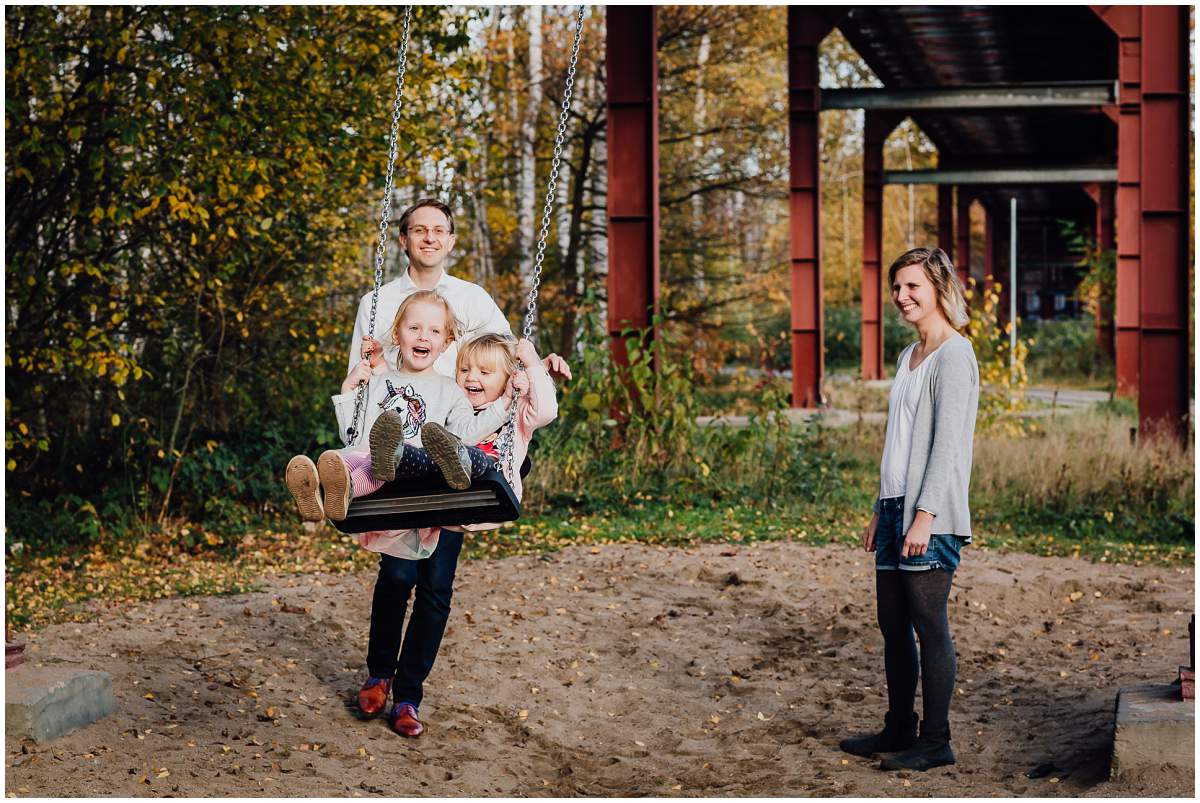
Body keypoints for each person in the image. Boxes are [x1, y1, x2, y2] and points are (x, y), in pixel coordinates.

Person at [356, 333, 558, 737]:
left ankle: (408, 697)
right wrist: (376, 367)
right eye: (465, 369)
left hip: (465, 503)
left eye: (485, 372)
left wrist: (533, 365)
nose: (472, 377)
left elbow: (547, 409)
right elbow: (403, 393)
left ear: (508, 378)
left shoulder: (515, 410)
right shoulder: (450, 399)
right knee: (395, 579)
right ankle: (379, 676)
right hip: (419, 504)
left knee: (434, 593)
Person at [839, 247, 979, 772]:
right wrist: (883, 506)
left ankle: (936, 739)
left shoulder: (955, 356)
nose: (901, 297)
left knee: (929, 622)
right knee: (891, 622)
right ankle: (898, 726)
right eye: (897, 287)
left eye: (912, 286)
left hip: (932, 512)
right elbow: (898, 441)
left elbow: (947, 445)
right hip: (896, 506)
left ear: (939, 287)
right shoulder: (909, 355)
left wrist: (925, 515)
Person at [284, 290, 511, 526]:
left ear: (446, 343)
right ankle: (315, 493)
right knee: (340, 460)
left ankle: (347, 489)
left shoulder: (449, 389)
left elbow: (466, 433)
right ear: (396, 335)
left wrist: (504, 403)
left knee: (374, 465)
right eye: (414, 328)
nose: (423, 337)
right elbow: (353, 435)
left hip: (403, 465)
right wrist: (349, 388)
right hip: (365, 452)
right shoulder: (379, 381)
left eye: (434, 331)